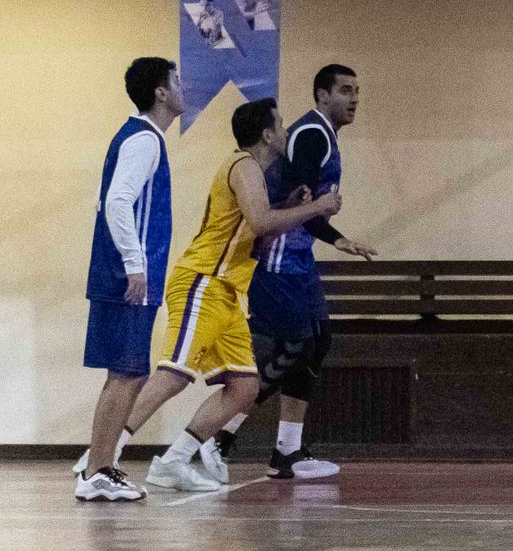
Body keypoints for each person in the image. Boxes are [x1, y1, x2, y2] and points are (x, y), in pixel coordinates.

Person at [89, 100, 341, 493]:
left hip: (228, 291)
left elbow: (257, 232)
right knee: (174, 374)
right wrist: (318, 208)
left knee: (245, 386)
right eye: (280, 125)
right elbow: (261, 221)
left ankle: (174, 461)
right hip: (203, 281)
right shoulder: (243, 165)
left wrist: (292, 207)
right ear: (267, 135)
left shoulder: (255, 174)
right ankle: (102, 457)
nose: (287, 131)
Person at [217, 64, 376, 480]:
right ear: (322, 95)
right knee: (294, 348)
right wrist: (332, 231)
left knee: (317, 343)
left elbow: (309, 205)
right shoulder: (311, 134)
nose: (354, 98)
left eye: (357, 91)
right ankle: (219, 435)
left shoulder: (324, 136)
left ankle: (286, 451)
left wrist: (335, 238)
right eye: (345, 90)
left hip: (300, 257)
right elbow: (300, 200)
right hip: (277, 258)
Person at [75, 58, 183, 502]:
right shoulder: (144, 139)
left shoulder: (140, 136)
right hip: (127, 277)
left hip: (121, 273)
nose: (182, 87)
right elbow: (117, 202)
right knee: (126, 373)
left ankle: (98, 467)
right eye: (176, 80)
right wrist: (135, 265)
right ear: (161, 92)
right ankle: (97, 470)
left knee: (127, 373)